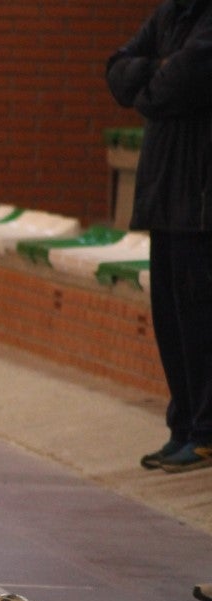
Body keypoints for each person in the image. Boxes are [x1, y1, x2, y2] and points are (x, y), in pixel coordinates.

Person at [106, 1, 212, 475]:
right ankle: (183, 426)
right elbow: (115, 69)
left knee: (200, 322)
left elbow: (181, 82)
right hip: (163, 195)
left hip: (200, 198)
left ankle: (206, 433)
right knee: (170, 321)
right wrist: (157, 71)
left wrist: (149, 81)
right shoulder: (170, 15)